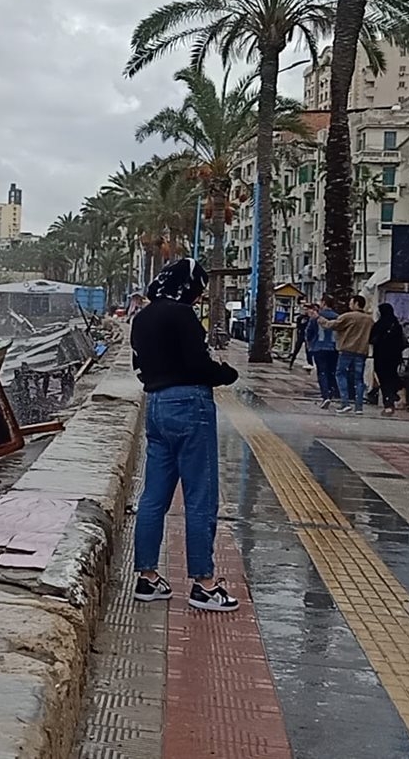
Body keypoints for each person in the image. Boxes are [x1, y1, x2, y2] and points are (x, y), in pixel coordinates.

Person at [130, 258, 241, 612]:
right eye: (198, 288)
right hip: (190, 405)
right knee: (200, 496)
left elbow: (138, 365)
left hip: (156, 405)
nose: (199, 296)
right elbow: (197, 365)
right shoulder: (182, 315)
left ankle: (147, 577)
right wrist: (225, 374)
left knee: (153, 497)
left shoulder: (142, 317)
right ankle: (204, 585)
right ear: (187, 286)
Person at [316, 295, 373, 414]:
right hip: (362, 351)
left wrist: (319, 318)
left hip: (347, 350)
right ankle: (359, 406)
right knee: (359, 378)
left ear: (356, 303)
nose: (349, 305)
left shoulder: (348, 316)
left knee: (341, 374)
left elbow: (331, 325)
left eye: (351, 303)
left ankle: (345, 403)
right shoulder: (369, 320)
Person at [372, 303, 407, 416]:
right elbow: (402, 342)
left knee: (384, 380)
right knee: (391, 376)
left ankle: (389, 402)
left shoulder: (379, 325)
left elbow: (372, 339)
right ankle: (393, 393)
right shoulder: (396, 325)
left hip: (380, 356)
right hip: (394, 357)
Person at [307, 297, 342, 408]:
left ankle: (325, 395)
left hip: (319, 346)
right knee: (331, 372)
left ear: (324, 303)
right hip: (333, 348)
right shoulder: (338, 317)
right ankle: (331, 393)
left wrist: (310, 344)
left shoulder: (316, 316)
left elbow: (309, 332)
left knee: (322, 372)